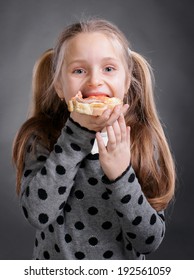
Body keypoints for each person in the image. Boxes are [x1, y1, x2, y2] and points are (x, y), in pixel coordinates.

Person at [12, 18, 175, 260]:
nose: (94, 81)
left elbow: (148, 240)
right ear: (59, 86)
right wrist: (76, 134)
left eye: (108, 69)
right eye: (79, 70)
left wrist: (121, 175)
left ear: (127, 81)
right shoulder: (41, 136)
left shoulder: (140, 140)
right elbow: (38, 214)